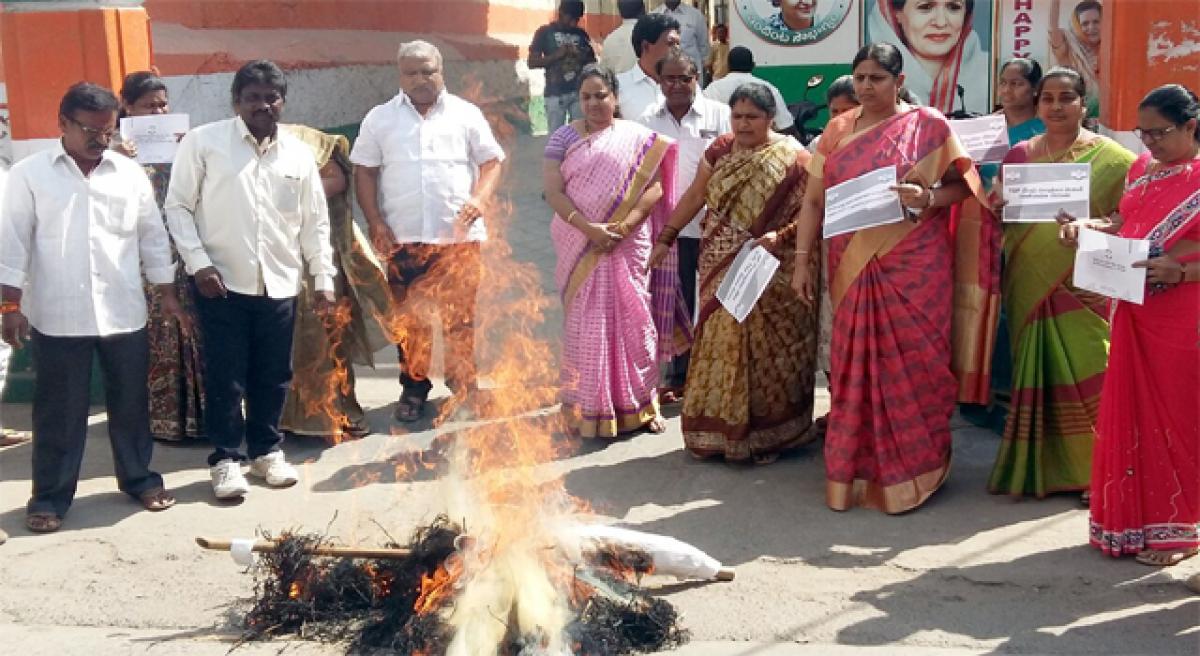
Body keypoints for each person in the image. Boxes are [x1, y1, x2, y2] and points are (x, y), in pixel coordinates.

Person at [790, 44, 988, 513]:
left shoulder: (929, 125)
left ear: (899, 80)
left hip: (917, 264)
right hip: (852, 266)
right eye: (859, 76)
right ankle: (856, 471)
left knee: (918, 362)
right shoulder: (836, 130)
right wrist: (801, 261)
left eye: (877, 77)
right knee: (853, 363)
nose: (865, 86)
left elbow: (967, 187)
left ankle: (917, 467)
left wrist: (927, 196)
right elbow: (814, 201)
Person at [1, 83, 184, 532]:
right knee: (58, 411)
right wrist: (9, 304)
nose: (101, 139)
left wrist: (167, 290)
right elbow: (12, 240)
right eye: (90, 130)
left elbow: (151, 237)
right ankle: (49, 497)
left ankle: (140, 479)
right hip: (57, 313)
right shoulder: (28, 176)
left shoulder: (128, 174)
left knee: (130, 404)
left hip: (123, 310)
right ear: (61, 124)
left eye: (108, 130)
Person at [165, 60, 336, 500]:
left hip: (279, 282)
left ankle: (266, 453)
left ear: (282, 101)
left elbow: (315, 222)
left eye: (271, 96)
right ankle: (226, 460)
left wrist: (323, 279)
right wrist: (198, 264)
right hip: (220, 284)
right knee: (226, 376)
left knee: (274, 374)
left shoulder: (298, 154)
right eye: (253, 97)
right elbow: (178, 207)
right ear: (236, 101)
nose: (263, 105)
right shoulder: (205, 144)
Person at [1057, 85, 1200, 566]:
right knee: (1134, 412)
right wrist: (1087, 228)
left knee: (1179, 417)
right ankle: (1135, 523)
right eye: (1143, 133)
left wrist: (1182, 271)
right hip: (1133, 309)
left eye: (1159, 133)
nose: (1149, 143)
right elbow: (1124, 220)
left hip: (1184, 314)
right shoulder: (1142, 169)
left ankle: (1180, 530)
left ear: (1190, 127)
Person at [987, 67, 1135, 501]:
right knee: (1034, 371)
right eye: (1047, 99)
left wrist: (1097, 225)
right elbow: (1000, 210)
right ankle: (1043, 466)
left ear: (1083, 104)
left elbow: (1133, 217)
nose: (1055, 106)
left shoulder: (1115, 159)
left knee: (1094, 368)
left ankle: (1099, 468)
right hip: (1028, 278)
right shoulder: (1019, 155)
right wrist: (999, 206)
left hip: (1086, 280)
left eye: (1065, 98)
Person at [650, 82, 818, 463]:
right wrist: (667, 236)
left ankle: (766, 436)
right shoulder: (721, 149)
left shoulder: (794, 156)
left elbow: (810, 210)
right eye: (737, 116)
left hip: (769, 267)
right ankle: (716, 433)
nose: (743, 125)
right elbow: (695, 196)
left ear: (770, 118)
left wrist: (781, 236)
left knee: (765, 349)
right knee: (720, 339)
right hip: (719, 262)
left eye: (752, 117)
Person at [351, 41, 505, 423]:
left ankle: (464, 384)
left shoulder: (466, 114)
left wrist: (481, 198)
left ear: (441, 71)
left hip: (458, 240)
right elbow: (365, 171)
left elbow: (491, 162)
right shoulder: (380, 119)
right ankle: (414, 389)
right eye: (411, 72)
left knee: (460, 319)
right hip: (403, 240)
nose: (420, 79)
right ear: (400, 75)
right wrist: (375, 221)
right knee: (411, 322)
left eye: (427, 71)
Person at [544, 65, 678, 437]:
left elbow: (655, 188)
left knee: (635, 320)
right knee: (586, 326)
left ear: (615, 97)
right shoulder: (561, 139)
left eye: (600, 95)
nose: (592, 103)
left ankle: (642, 405)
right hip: (578, 240)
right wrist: (590, 229)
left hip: (626, 241)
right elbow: (553, 192)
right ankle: (585, 408)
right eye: (585, 97)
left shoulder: (638, 137)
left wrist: (625, 225)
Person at [278, 124, 392, 440]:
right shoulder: (227, 148)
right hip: (269, 260)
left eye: (270, 98)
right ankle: (284, 419)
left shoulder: (304, 140)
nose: (262, 107)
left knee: (327, 335)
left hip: (319, 256)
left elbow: (338, 179)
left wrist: (290, 193)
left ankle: (338, 412)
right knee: (280, 342)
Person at [111, 71, 206, 443]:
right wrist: (118, 159)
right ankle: (157, 419)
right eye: (149, 106)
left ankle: (198, 415)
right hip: (140, 261)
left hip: (186, 252)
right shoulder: (112, 153)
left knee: (193, 327)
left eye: (163, 104)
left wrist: (190, 153)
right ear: (129, 109)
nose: (158, 111)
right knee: (155, 332)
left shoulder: (184, 144)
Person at [638, 50, 731, 404]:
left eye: (684, 78)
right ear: (659, 82)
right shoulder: (647, 120)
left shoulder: (720, 116)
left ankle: (717, 371)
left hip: (715, 225)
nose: (676, 85)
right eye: (669, 79)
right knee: (676, 301)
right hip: (668, 228)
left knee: (716, 299)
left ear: (698, 79)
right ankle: (678, 373)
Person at [959, 58, 1046, 432]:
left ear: (1034, 89)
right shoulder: (985, 129)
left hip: (1027, 230)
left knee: (1015, 309)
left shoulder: (1045, 130)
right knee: (985, 310)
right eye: (1004, 83)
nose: (1009, 91)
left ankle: (1016, 397)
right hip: (982, 229)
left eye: (1018, 84)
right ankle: (983, 391)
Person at [811, 75, 859, 438]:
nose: (840, 117)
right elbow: (810, 202)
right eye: (835, 111)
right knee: (832, 330)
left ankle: (861, 409)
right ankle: (837, 404)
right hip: (831, 251)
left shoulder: (877, 143)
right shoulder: (819, 145)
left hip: (873, 251)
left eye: (848, 110)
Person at [865, 0, 990, 115]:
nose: (941, 22)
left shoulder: (991, 75)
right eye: (925, 7)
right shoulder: (869, 73)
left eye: (953, 7)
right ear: (897, 13)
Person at [529, 1, 597, 132]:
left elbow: (592, 61)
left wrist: (580, 55)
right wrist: (556, 56)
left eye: (577, 19)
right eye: (571, 18)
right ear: (561, 13)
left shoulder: (582, 34)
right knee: (556, 138)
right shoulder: (544, 33)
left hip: (579, 93)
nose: (573, 23)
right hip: (555, 94)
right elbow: (532, 62)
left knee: (580, 136)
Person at [703, 47, 795, 134]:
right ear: (753, 65)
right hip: (759, 147)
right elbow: (786, 126)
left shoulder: (712, 89)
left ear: (728, 66)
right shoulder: (767, 88)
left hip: (723, 147)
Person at [617, 13, 681, 120]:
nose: (677, 50)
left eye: (678, 44)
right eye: (670, 44)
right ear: (646, 46)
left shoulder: (686, 84)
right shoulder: (618, 87)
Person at [1049, 0, 1102, 117]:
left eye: (1096, 22)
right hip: (1079, 121)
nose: (1091, 27)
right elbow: (1053, 30)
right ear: (1077, 25)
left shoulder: (1113, 48)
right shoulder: (1071, 49)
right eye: (1085, 24)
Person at [652, 0, 710, 84]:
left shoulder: (695, 15)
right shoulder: (654, 16)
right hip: (664, 77)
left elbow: (703, 47)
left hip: (690, 75)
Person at [600, 0, 645, 75]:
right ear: (643, 9)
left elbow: (604, 72)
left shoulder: (609, 39)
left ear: (620, 12)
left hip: (617, 85)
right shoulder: (648, 37)